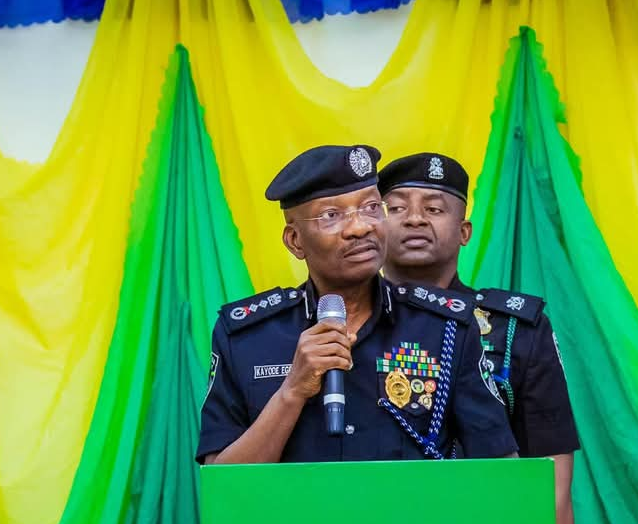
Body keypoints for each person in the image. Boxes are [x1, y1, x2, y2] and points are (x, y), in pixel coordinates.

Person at [378, 152, 580, 524]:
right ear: (375, 224)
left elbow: (552, 491)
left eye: (434, 207)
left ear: (464, 230)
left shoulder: (517, 331)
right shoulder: (339, 326)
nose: (415, 218)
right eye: (395, 207)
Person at [197, 144, 518, 465]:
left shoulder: (446, 327)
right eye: (331, 215)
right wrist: (291, 392)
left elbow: (500, 468)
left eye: (371, 208)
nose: (360, 228)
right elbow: (222, 483)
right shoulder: (246, 336)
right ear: (295, 241)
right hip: (293, 517)